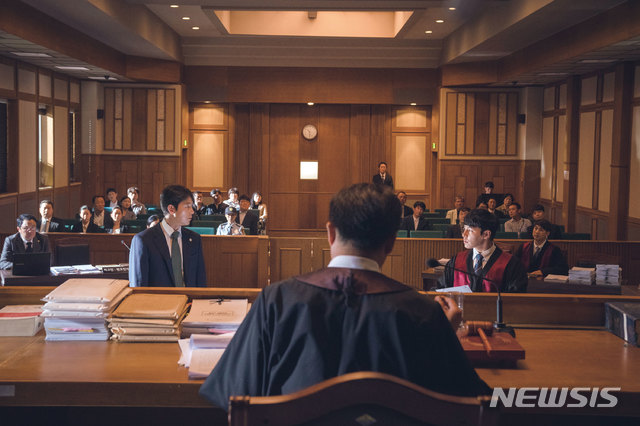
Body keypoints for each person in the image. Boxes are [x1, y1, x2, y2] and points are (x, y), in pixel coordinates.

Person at [200, 183, 490, 410]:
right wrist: (444, 334)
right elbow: (475, 401)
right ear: (391, 242)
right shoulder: (423, 313)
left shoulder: (276, 300)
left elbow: (230, 393)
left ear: (330, 233)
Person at [129, 185, 206, 287]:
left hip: (189, 301)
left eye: (192, 207)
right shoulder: (144, 240)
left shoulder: (194, 239)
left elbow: (200, 281)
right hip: (158, 302)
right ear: (171, 209)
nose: (192, 211)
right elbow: (138, 285)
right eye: (187, 206)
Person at [438, 208, 527, 293]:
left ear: (486, 234)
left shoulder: (511, 264)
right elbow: (441, 288)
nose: (463, 234)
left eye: (470, 230)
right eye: (464, 229)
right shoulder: (456, 261)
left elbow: (515, 301)